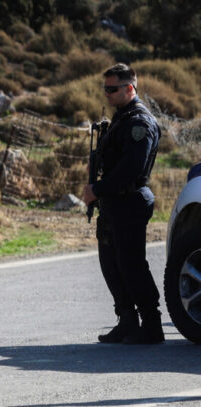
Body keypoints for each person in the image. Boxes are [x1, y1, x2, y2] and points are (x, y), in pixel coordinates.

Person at [82, 63, 162, 344]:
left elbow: (131, 168)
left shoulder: (139, 123)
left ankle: (151, 324)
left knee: (131, 265)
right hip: (113, 202)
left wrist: (97, 189)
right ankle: (127, 320)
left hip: (130, 200)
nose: (107, 94)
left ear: (129, 88)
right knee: (111, 263)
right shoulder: (121, 118)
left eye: (112, 89)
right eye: (105, 89)